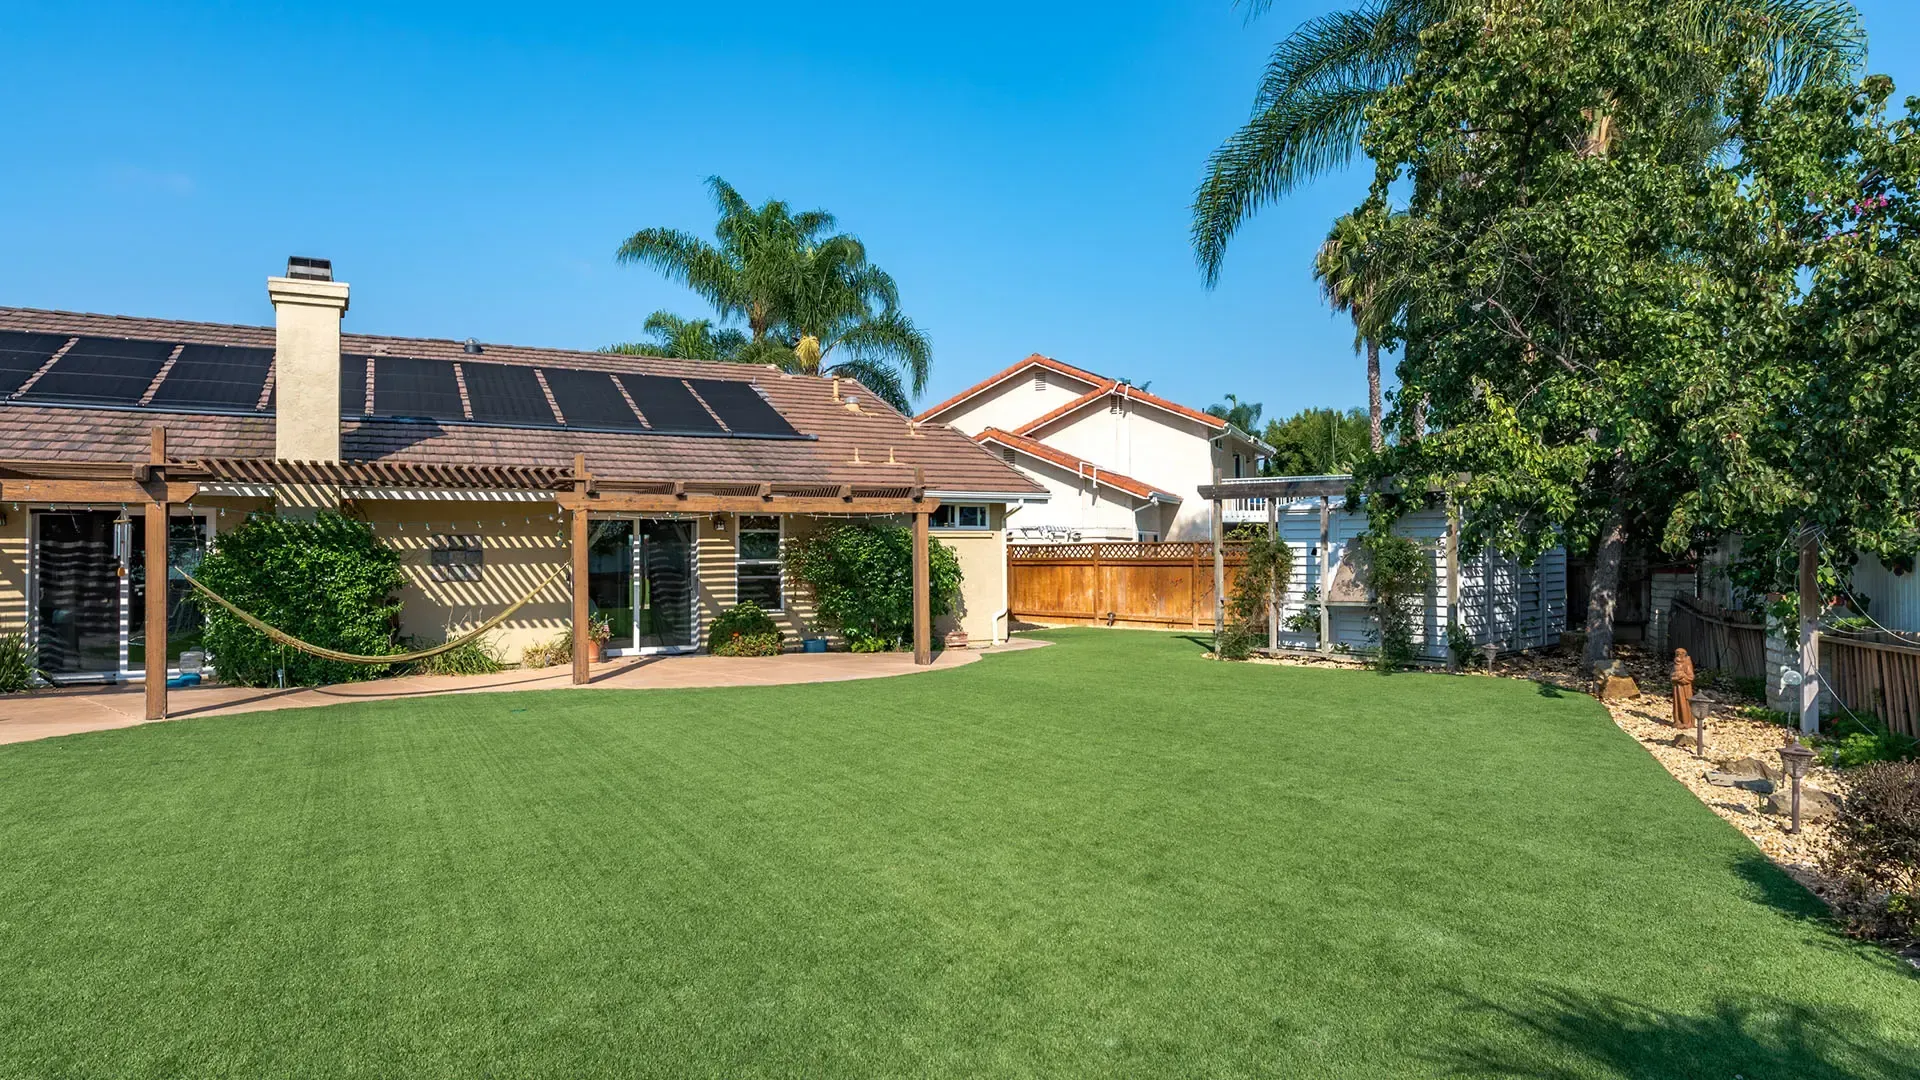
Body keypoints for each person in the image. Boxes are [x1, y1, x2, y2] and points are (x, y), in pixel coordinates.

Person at [1670, 648, 1696, 729]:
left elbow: (1691, 677)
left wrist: (1681, 677)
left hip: (1685, 688)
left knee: (1684, 703)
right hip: (1676, 688)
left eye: (1680, 654)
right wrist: (1674, 677)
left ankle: (1686, 721)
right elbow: (1671, 674)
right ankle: (1678, 721)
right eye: (1677, 654)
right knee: (1677, 704)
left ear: (1684, 654)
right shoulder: (1675, 663)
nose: (1678, 656)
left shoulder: (1686, 663)